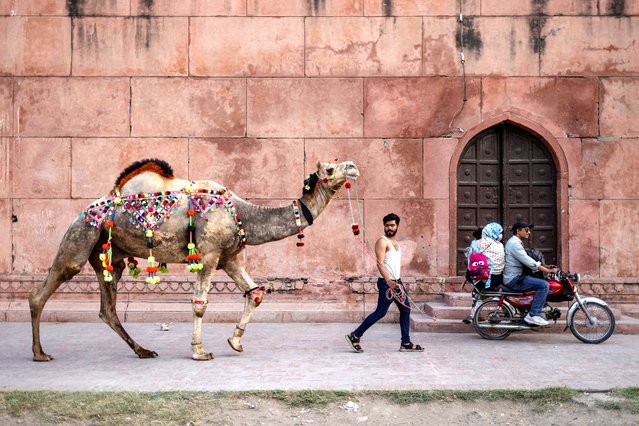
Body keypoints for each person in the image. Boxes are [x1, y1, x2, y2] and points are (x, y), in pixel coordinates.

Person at [346, 213, 424, 353]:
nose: (389, 228)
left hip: (397, 283)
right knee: (380, 312)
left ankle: (405, 342)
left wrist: (396, 280)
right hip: (386, 283)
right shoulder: (382, 241)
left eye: (392, 225)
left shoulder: (396, 244)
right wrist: (388, 281)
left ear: (397, 226)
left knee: (405, 310)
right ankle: (355, 335)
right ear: (384, 226)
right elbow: (379, 263)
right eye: (387, 225)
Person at [503, 221, 558, 326]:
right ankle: (533, 315)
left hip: (517, 276)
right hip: (514, 279)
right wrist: (548, 271)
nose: (529, 232)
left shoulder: (516, 242)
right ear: (518, 231)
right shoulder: (514, 244)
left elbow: (527, 260)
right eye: (526, 230)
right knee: (544, 285)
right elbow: (528, 261)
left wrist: (545, 266)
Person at [462, 222, 505, 324]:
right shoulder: (500, 245)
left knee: (472, 277)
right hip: (497, 277)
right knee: (480, 289)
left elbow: (471, 262)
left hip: (485, 278)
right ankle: (478, 312)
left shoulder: (476, 244)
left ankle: (475, 313)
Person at [467, 222, 505, 291]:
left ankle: (481, 292)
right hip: (498, 277)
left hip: (487, 278)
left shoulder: (477, 243)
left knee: (469, 273)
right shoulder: (500, 244)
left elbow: (471, 260)